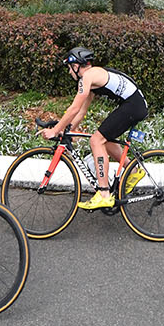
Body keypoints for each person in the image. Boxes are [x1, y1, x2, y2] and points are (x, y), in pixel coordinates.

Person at [41, 47, 148, 210]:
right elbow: (82, 111)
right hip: (133, 104)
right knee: (104, 139)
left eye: (70, 68)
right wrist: (68, 129)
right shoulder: (92, 78)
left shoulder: (87, 77)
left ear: (76, 66)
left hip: (133, 106)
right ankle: (132, 169)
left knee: (96, 140)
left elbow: (74, 108)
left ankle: (104, 194)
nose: (69, 72)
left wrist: (55, 130)